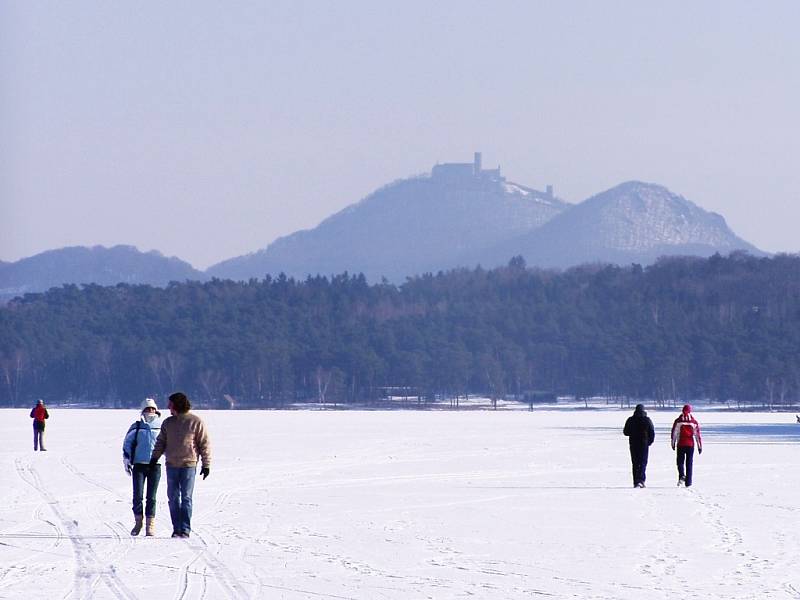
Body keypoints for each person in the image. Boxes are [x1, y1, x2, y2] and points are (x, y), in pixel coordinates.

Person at [150, 392, 211, 538]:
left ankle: (185, 528)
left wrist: (206, 464)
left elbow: (204, 444)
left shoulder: (195, 421)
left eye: (170, 404)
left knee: (186, 498)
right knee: (173, 498)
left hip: (188, 465)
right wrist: (154, 458)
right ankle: (176, 528)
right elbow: (161, 442)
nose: (168, 407)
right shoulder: (168, 423)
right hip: (171, 465)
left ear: (177, 404)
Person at [122, 398, 163, 536]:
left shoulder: (161, 426)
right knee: (137, 496)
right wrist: (126, 459)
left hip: (155, 465)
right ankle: (138, 521)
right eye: (147, 409)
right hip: (139, 465)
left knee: (151, 497)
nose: (150, 411)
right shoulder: (137, 426)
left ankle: (150, 525)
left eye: (152, 409)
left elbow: (167, 444)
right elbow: (127, 443)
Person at [623, 404, 655, 488]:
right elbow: (652, 432)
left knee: (635, 463)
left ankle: (636, 481)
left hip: (633, 444)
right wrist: (650, 442)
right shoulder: (647, 420)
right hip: (644, 444)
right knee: (643, 462)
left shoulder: (630, 420)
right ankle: (641, 480)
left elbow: (625, 432)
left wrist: (633, 432)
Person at [671, 404, 702, 487]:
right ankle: (688, 482)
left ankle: (681, 475)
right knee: (689, 463)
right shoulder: (693, 422)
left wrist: (673, 443)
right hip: (690, 444)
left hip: (681, 444)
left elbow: (674, 433)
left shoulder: (678, 421)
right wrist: (699, 446)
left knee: (680, 462)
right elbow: (697, 435)